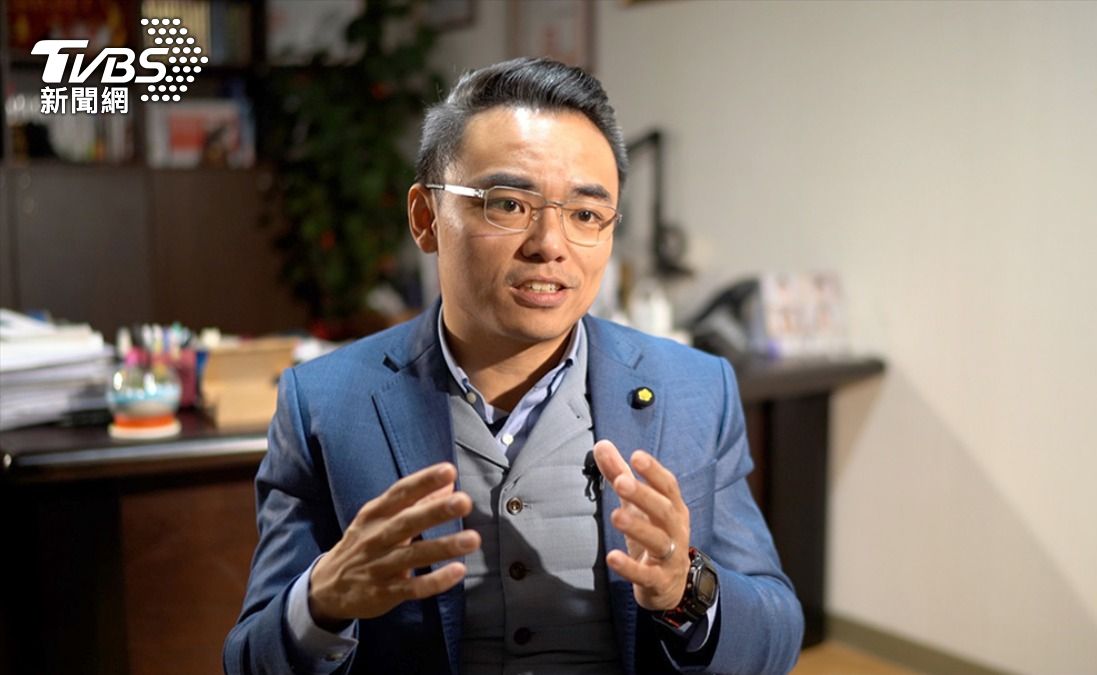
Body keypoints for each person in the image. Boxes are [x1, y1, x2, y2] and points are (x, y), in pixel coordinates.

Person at [224, 57, 803, 675]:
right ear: (425, 218)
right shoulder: (325, 403)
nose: (549, 244)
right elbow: (250, 660)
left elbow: (776, 636)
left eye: (585, 214)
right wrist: (322, 601)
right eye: (507, 204)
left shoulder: (694, 390)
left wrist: (687, 589)